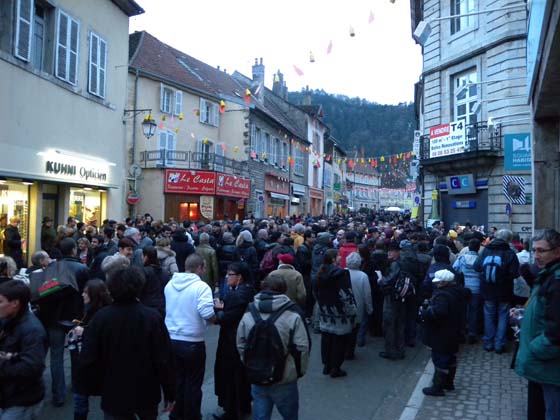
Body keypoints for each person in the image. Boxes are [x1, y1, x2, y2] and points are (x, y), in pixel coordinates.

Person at [79, 266, 175, 419]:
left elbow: (88, 357)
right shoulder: (152, 317)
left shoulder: (101, 318)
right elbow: (163, 359)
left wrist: (95, 386)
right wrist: (170, 392)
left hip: (113, 390)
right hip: (146, 389)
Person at [236, 275, 309, 420]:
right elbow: (302, 347)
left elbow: (240, 342)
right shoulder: (292, 314)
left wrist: (249, 363)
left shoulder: (249, 312)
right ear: (284, 290)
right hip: (285, 376)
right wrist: (298, 371)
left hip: (256, 373)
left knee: (260, 414)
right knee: (290, 415)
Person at [515, 229, 560, 420]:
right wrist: (524, 314)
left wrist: (534, 349)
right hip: (542, 367)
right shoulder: (547, 274)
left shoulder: (557, 281)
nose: (536, 256)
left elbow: (556, 331)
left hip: (549, 366)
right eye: (534, 251)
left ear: (557, 252)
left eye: (542, 251)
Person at [165, 254, 216, 420]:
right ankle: (192, 416)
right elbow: (207, 312)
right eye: (204, 267)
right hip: (192, 341)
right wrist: (215, 318)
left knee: (178, 380)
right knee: (193, 383)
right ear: (200, 267)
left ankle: (177, 414)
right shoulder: (201, 287)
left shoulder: (169, 284)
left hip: (171, 339)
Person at [0, 280, 48, 419]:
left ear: (15, 303)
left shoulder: (31, 329)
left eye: (1, 301)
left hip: (21, 401)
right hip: (8, 396)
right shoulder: (7, 320)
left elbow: (32, 367)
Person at [213, 262, 255, 420]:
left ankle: (232, 411)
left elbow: (226, 318)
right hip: (241, 339)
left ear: (240, 277)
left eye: (230, 274)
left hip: (232, 341)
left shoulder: (237, 295)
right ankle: (242, 405)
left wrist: (219, 309)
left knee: (231, 376)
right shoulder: (246, 291)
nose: (226, 277)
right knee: (240, 375)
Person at [419, 269, 470, 396]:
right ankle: (448, 383)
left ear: (444, 282)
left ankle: (437, 387)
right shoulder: (459, 292)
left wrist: (424, 313)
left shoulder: (442, 295)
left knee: (440, 358)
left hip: (442, 332)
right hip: (455, 329)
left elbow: (438, 313)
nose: (436, 284)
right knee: (451, 357)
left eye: (438, 282)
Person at [70, 279, 113, 420]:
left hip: (93, 364)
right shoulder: (90, 310)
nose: (82, 295)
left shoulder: (101, 314)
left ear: (94, 295)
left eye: (85, 292)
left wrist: (84, 332)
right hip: (89, 364)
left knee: (81, 400)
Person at [474, 229, 519, 354]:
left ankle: (488, 343)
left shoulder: (486, 250)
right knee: (503, 315)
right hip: (504, 290)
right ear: (509, 240)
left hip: (487, 289)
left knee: (488, 315)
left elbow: (476, 267)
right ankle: (499, 344)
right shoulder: (509, 253)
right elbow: (515, 273)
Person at [316, 249, 356, 377]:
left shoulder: (319, 273)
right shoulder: (341, 274)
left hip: (325, 311)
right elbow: (346, 294)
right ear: (333, 259)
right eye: (338, 255)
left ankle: (327, 365)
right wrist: (352, 310)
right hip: (339, 312)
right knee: (339, 340)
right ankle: (335, 368)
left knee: (326, 338)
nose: (340, 257)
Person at [453, 238, 483, 344]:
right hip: (477, 288)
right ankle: (472, 333)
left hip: (464, 288)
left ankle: (462, 331)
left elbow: (455, 269)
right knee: (474, 311)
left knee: (463, 310)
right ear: (478, 248)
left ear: (468, 247)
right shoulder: (480, 259)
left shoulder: (462, 258)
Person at [345, 252, 373, 357]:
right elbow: (367, 294)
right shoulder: (363, 276)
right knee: (356, 327)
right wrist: (369, 307)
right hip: (358, 305)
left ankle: (345, 348)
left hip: (345, 305)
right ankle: (355, 346)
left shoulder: (342, 272)